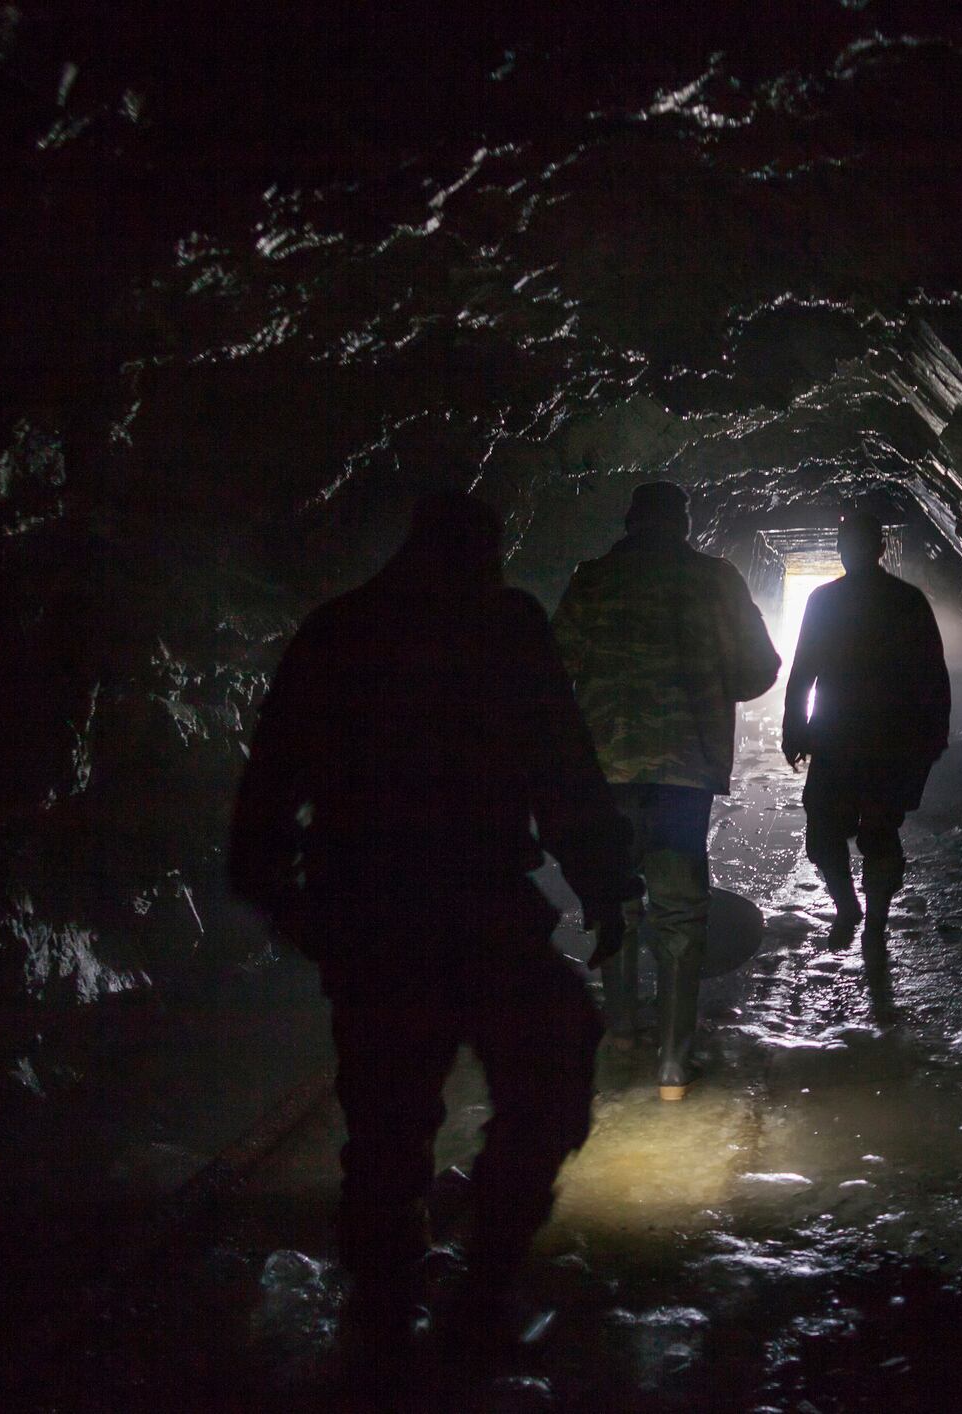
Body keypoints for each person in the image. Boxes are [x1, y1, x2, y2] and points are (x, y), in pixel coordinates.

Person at [226, 492, 639, 1357]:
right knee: (548, 1081)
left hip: (372, 916)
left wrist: (289, 902)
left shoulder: (335, 631)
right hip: (481, 908)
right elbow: (560, 763)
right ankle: (479, 1285)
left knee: (384, 1124)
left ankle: (381, 1311)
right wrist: (606, 884)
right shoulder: (504, 625)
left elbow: (267, 789)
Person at [552, 482, 781, 1100]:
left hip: (604, 773)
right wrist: (705, 679)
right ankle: (674, 1066)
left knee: (615, 897)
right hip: (683, 772)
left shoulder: (591, 579)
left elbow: (554, 668)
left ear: (629, 522)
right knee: (679, 910)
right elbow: (761, 669)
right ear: (684, 524)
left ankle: (623, 1031)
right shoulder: (715, 579)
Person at [783, 510, 951, 950]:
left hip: (844, 738)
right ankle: (867, 916)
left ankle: (857, 913)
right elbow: (934, 675)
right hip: (882, 740)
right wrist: (934, 736)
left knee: (830, 832)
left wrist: (795, 728)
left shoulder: (828, 601)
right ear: (880, 549)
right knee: (869, 831)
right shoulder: (907, 600)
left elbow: (804, 670)